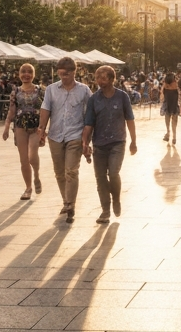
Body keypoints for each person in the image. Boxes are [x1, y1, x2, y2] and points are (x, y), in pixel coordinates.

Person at [38, 57, 91, 224]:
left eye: (66, 74)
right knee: (59, 173)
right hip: (55, 135)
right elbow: (46, 109)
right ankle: (66, 201)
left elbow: (90, 115)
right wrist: (41, 129)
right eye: (60, 74)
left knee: (71, 171)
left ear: (74, 72)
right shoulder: (51, 90)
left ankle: (71, 205)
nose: (63, 77)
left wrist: (87, 139)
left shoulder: (84, 91)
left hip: (75, 135)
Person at [82, 65, 136, 224]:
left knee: (113, 173)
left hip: (117, 142)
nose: (99, 81)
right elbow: (89, 123)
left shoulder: (122, 97)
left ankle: (116, 198)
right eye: (97, 78)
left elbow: (130, 119)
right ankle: (105, 211)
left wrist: (134, 141)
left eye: (103, 78)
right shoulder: (93, 99)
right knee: (100, 178)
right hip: (99, 144)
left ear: (112, 79)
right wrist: (85, 143)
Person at [2, 62, 43, 201]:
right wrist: (7, 126)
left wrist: (45, 127)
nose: (26, 74)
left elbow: (46, 110)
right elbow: (12, 110)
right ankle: (28, 188)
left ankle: (36, 174)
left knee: (32, 156)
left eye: (29, 72)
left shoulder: (41, 90)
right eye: (23, 72)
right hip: (20, 126)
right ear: (19, 75)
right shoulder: (16, 91)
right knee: (24, 159)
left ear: (33, 75)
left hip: (36, 126)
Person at [162, 72, 181, 143]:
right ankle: (170, 134)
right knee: (170, 122)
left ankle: (172, 136)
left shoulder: (174, 86)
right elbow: (162, 95)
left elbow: (179, 94)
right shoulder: (168, 86)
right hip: (169, 105)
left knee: (172, 122)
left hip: (173, 105)